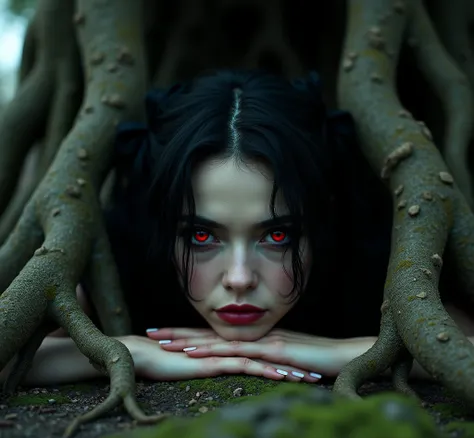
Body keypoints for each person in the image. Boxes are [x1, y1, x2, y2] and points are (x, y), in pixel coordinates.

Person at [2, 70, 474, 387]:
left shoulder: (377, 264)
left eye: (277, 235)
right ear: (167, 231)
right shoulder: (121, 263)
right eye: (203, 237)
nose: (240, 278)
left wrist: (348, 352)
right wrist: (126, 352)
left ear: (319, 224)